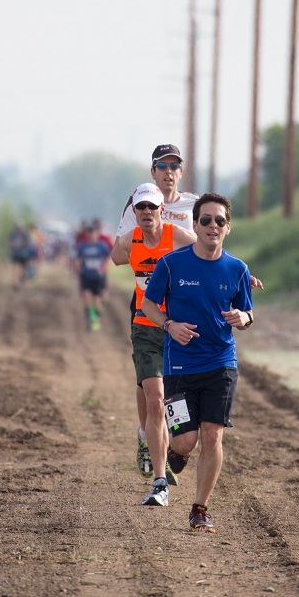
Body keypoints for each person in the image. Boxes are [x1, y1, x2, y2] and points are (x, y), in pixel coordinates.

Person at [140, 193, 254, 531]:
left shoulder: (237, 269)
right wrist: (168, 325)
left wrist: (242, 317)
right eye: (206, 220)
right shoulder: (172, 264)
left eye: (219, 221)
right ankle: (178, 455)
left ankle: (200, 509)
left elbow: (248, 312)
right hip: (179, 366)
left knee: (212, 435)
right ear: (195, 224)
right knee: (185, 442)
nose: (212, 226)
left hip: (221, 363)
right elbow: (148, 305)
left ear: (228, 228)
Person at [111, 182, 195, 501]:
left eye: (152, 207)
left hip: (177, 328)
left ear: (162, 210)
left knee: (174, 403)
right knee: (155, 399)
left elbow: (212, 254)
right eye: (140, 208)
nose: (146, 212)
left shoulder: (177, 236)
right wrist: (123, 225)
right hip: (145, 327)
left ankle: (158, 439)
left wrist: (241, 276)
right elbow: (116, 258)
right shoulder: (130, 241)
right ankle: (160, 481)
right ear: (135, 212)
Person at [72, 221, 112, 332]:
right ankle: (93, 319)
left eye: (93, 232)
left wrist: (103, 268)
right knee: (87, 296)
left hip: (99, 277)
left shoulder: (102, 246)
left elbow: (107, 258)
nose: (91, 234)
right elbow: (78, 258)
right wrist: (77, 267)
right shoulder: (82, 246)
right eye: (89, 232)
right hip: (86, 275)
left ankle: (97, 313)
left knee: (99, 299)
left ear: (97, 233)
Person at [8, 222, 32, 288]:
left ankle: (21, 280)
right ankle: (16, 282)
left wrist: (22, 244)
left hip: (23, 254)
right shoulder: (12, 234)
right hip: (15, 253)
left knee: (23, 269)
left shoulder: (24, 234)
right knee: (15, 268)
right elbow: (9, 243)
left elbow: (27, 242)